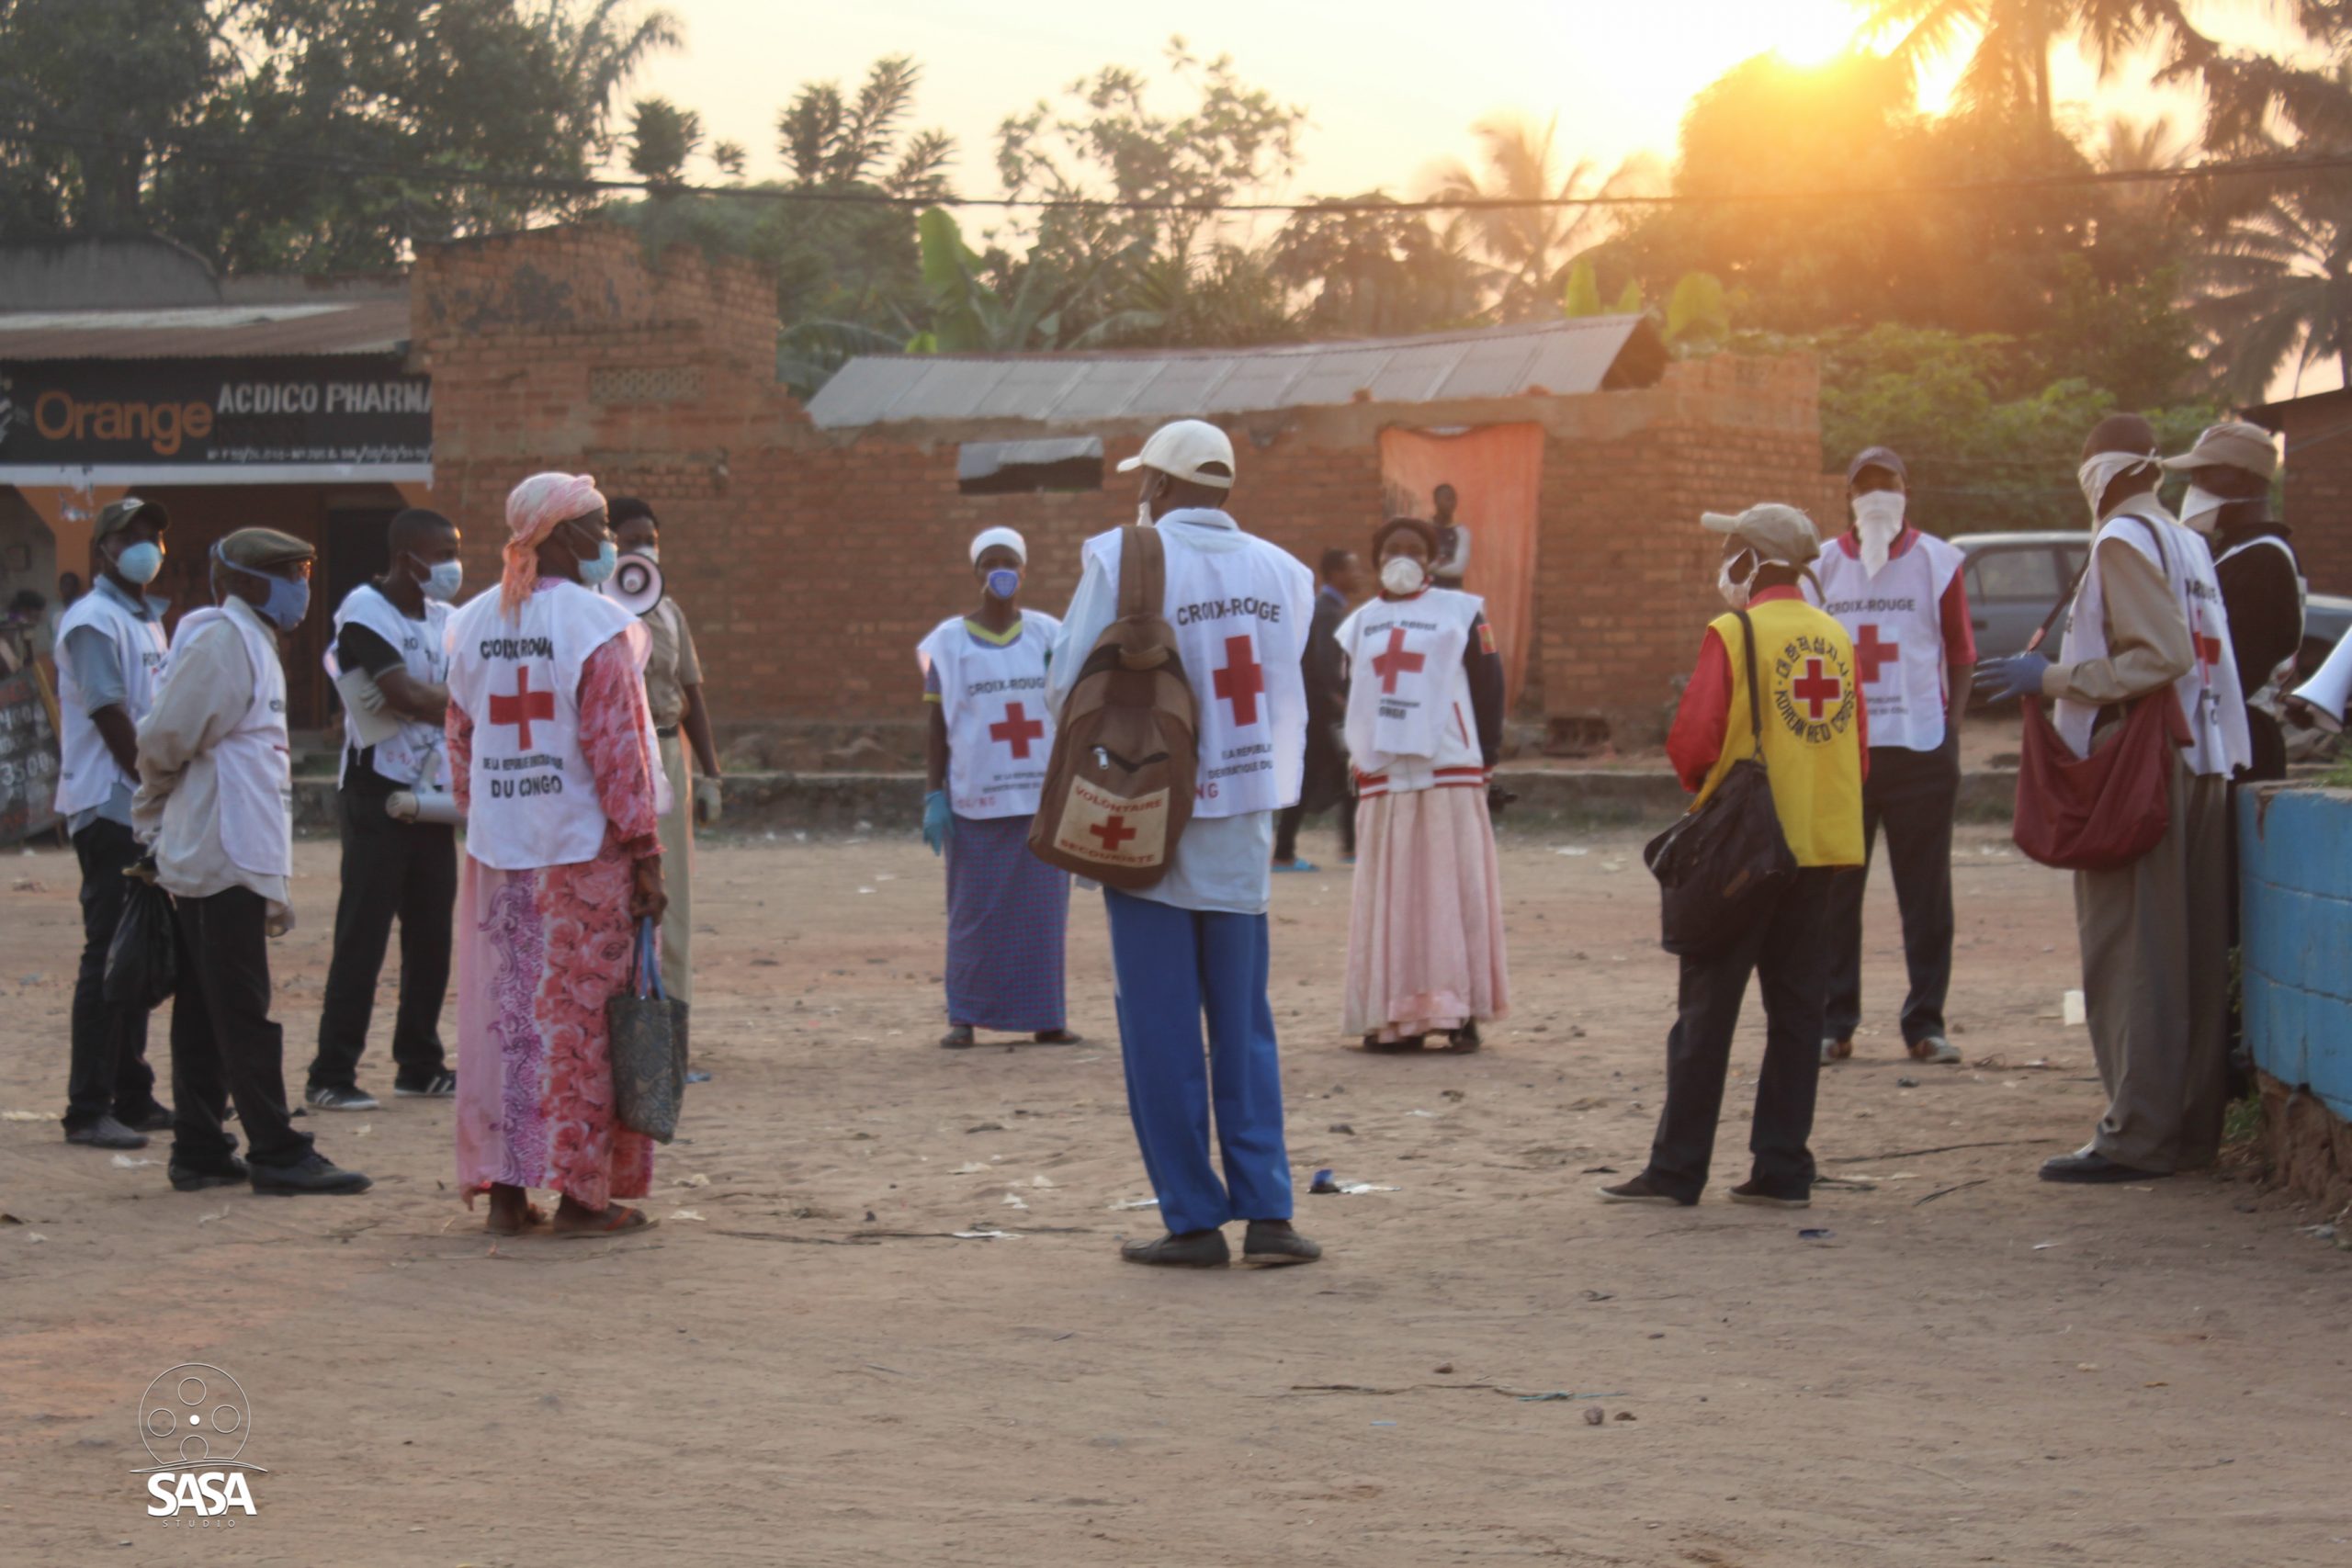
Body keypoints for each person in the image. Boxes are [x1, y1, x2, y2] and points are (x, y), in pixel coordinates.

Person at [1047, 418, 1321, 1269]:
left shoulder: (1123, 557)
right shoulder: (1287, 573)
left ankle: (1193, 1220)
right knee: (1242, 1024)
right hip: (1246, 821)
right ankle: (1270, 1213)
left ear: (1159, 485)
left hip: (1147, 816)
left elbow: (1067, 674)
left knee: (1161, 1026)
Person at [1976, 414, 2248, 1184]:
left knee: (2133, 951)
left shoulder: (2122, 541)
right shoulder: (2187, 540)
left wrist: (2053, 678)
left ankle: (2136, 1135)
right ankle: (2187, 1132)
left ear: (2099, 473)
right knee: (2188, 952)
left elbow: (2156, 655)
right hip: (2202, 756)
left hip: (2143, 762)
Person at [1601, 504, 1866, 1209]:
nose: (1723, 562)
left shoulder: (1735, 630)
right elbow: (1857, 752)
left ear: (1752, 562)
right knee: (1799, 1013)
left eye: (1730, 549)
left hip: (1747, 852)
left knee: (1706, 1013)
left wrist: (1706, 794)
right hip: (1823, 848)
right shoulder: (1837, 637)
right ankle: (1783, 1168)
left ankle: (1677, 1170)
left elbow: (1695, 740)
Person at [445, 473, 669, 1237]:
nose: (609, 539)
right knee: (581, 1022)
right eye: (601, 525)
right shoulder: (595, 624)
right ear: (567, 536)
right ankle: (582, 1195)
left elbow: (460, 743)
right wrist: (645, 854)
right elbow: (620, 753)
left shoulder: (471, 621)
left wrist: (498, 814)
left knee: (509, 1022)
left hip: (501, 856)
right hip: (583, 859)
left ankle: (508, 1192)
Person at [135, 527, 371, 1195]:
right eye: (289, 573)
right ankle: (275, 1149)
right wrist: (149, 803)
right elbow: (164, 736)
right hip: (218, 850)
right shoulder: (222, 638)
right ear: (243, 580)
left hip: (232, 849)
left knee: (208, 1007)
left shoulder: (250, 641)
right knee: (240, 1006)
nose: (301, 586)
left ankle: (202, 1146)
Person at [1809, 446, 1975, 1066]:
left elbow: (1961, 651)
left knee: (1926, 894)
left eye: (1889, 483)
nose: (1876, 493)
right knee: (1833, 895)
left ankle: (1925, 1023)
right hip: (1842, 756)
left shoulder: (1939, 562)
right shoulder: (1822, 565)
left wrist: (1950, 730)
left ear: (1908, 491)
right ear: (1848, 497)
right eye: (1865, 485)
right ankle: (1834, 1022)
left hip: (1920, 749)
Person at [305, 509, 463, 1111]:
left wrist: (445, 701)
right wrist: (462, 702)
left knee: (431, 936)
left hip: (433, 796)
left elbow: (446, 693)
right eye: (441, 551)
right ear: (407, 557)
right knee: (363, 936)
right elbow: (402, 694)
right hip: (378, 792)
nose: (451, 563)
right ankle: (331, 1071)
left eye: (456, 550)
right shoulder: (364, 610)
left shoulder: (448, 619)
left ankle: (419, 1062)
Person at [1336, 517, 1509, 1052]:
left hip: (1449, 767)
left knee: (1451, 891)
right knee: (1392, 896)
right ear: (1376, 559)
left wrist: (1489, 757)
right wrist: (1355, 754)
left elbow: (1489, 686)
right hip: (1385, 774)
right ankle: (1395, 1019)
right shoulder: (1358, 624)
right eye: (1393, 549)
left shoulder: (1463, 612)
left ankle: (1458, 1013)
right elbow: (1353, 696)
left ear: (1433, 560)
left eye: (1415, 549)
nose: (1403, 556)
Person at [919, 525, 1076, 1049]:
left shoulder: (1050, 635)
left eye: (1009, 561)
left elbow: (1070, 707)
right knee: (973, 915)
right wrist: (933, 793)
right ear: (975, 572)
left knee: (1043, 919)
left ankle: (1047, 1017)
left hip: (1040, 799)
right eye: (989, 562)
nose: (999, 571)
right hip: (975, 800)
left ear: (1025, 571)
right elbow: (937, 725)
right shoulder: (946, 642)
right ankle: (964, 1016)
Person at [51, 498, 174, 1151]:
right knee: (108, 954)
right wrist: (155, 785)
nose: (146, 546)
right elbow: (109, 714)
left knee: (139, 953)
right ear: (102, 549)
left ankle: (132, 1092)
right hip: (108, 805)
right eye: (131, 536)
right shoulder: (95, 620)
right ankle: (87, 1105)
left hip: (141, 806)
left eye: (153, 536)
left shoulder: (146, 621)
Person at [609, 498, 721, 1029]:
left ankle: (671, 1023)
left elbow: (691, 694)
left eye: (649, 540)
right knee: (618, 888)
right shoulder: (592, 611)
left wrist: (711, 774)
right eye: (629, 541)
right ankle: (621, 1017)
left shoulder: (669, 612)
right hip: (613, 759)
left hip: (666, 755)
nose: (642, 550)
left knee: (671, 891)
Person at [2165, 421, 2300, 783]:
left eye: (2206, 473)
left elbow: (2238, 671)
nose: (2195, 486)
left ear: (2244, 479)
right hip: (2225, 732)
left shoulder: (2263, 560)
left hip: (2243, 741)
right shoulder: (2236, 553)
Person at [1272, 547, 1363, 873]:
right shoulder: (1327, 611)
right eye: (1352, 569)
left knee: (1346, 775)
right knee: (1312, 776)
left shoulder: (1328, 608)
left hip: (1322, 708)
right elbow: (1326, 663)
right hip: (1322, 711)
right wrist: (1340, 699)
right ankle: (1284, 853)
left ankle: (1350, 847)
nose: (1358, 575)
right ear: (1336, 573)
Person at [1430, 482, 1471, 589]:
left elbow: (1458, 569)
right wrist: (1441, 563)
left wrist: (1430, 566)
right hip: (1427, 592)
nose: (1452, 503)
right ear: (1436, 501)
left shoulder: (1462, 532)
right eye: (1447, 498)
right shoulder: (1424, 529)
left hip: (1452, 592)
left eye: (1454, 499)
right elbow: (1418, 564)